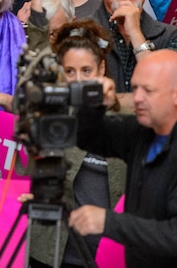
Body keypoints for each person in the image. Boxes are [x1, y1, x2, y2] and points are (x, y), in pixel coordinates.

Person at [70, 50, 177, 267]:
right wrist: (93, 105)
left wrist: (109, 222)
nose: (137, 98)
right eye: (135, 88)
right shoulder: (143, 132)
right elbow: (87, 137)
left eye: (148, 90)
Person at [30, 21, 127, 268]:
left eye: (86, 70)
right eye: (70, 72)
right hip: (53, 252)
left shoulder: (127, 120)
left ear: (101, 68)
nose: (78, 80)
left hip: (109, 253)